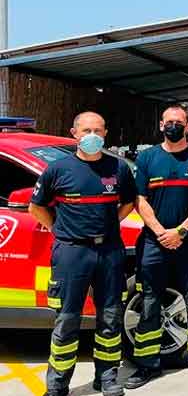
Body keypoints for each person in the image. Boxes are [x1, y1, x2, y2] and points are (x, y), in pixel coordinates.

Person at [30, 111, 137, 396]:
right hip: (72, 252)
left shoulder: (118, 168)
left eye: (98, 130)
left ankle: (108, 378)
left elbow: (128, 202)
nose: (92, 135)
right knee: (67, 318)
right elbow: (35, 207)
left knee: (111, 316)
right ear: (74, 133)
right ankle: (58, 383)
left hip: (110, 251)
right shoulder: (58, 170)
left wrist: (111, 221)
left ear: (105, 134)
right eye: (86, 130)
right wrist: (59, 229)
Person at [125, 105, 188, 389]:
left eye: (179, 121)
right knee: (150, 304)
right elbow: (139, 200)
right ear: (161, 124)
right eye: (169, 121)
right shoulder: (148, 157)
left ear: (187, 125)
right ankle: (146, 365)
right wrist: (161, 232)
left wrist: (181, 230)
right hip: (154, 243)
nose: (174, 125)